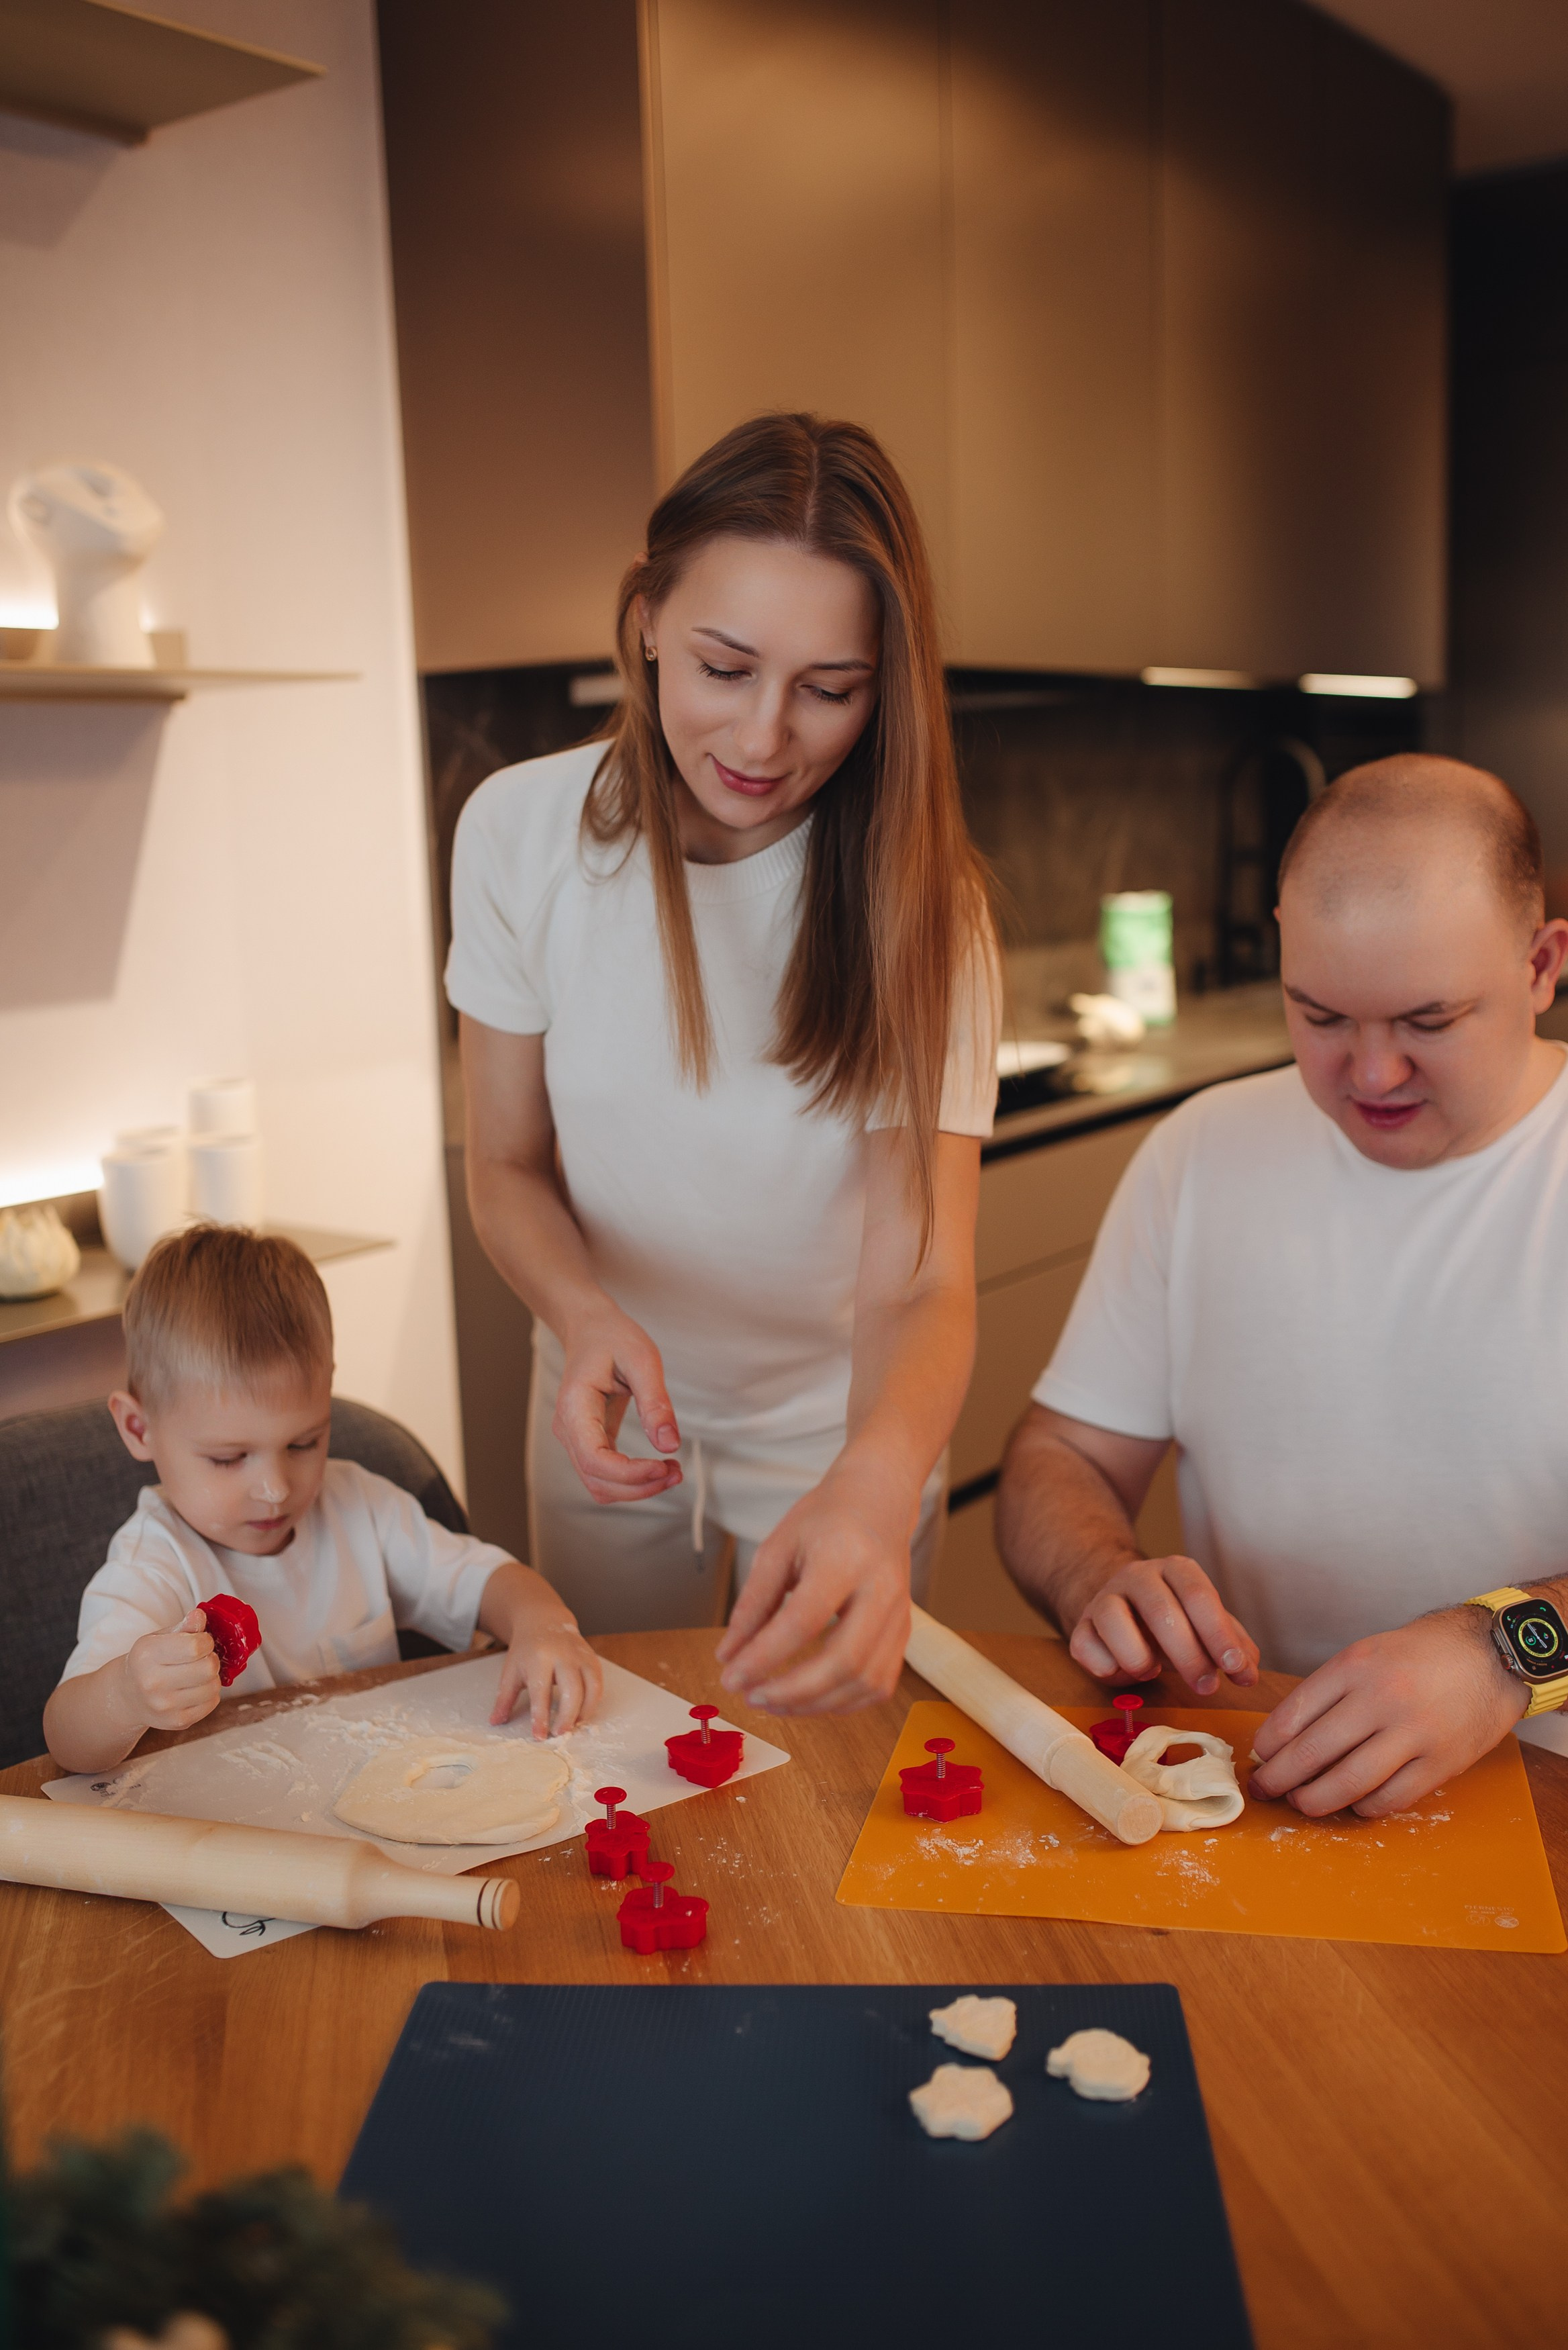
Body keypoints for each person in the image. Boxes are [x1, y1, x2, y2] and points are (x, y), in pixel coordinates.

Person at [447, 412, 999, 1716]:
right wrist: (583, 1318)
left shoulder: (924, 906)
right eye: (724, 666)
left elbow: (920, 1274)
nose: (763, 737)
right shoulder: (521, 833)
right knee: (605, 1760)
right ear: (645, 619)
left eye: (829, 687)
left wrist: (873, 1482)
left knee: (824, 1797)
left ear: (888, 682)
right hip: (606, 1405)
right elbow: (509, 1166)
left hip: (846, 1427)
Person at [995, 754, 1568, 1818]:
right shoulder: (1205, 1149)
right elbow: (1059, 1458)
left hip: (1542, 1790)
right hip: (1265, 1778)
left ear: (1542, 966)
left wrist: (1505, 1656)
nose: (1371, 1074)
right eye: (1320, 1015)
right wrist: (1096, 1573)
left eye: (1428, 1022)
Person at [44, 1225, 601, 1775]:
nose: (276, 1488)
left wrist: (542, 1622)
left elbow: (487, 1581)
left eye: (303, 1443)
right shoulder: (153, 1564)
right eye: (228, 1458)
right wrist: (125, 1696)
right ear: (140, 1428)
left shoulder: (361, 1505)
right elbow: (68, 1740)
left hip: (376, 1791)